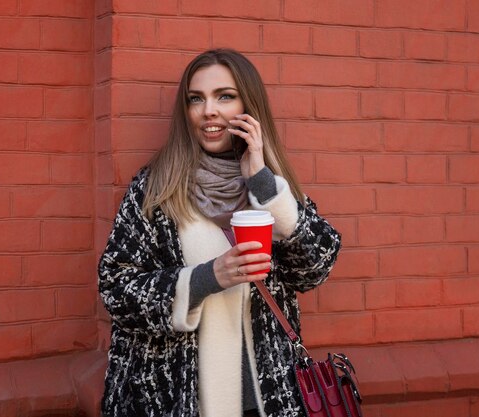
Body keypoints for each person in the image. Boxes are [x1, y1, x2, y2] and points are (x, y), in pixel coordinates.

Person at [98, 49, 341, 417]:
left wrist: (261, 179)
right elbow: (115, 289)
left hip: (267, 396)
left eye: (224, 96)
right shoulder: (156, 190)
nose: (208, 110)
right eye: (196, 99)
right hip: (180, 397)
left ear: (249, 106)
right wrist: (206, 278)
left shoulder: (271, 188)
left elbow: (315, 269)